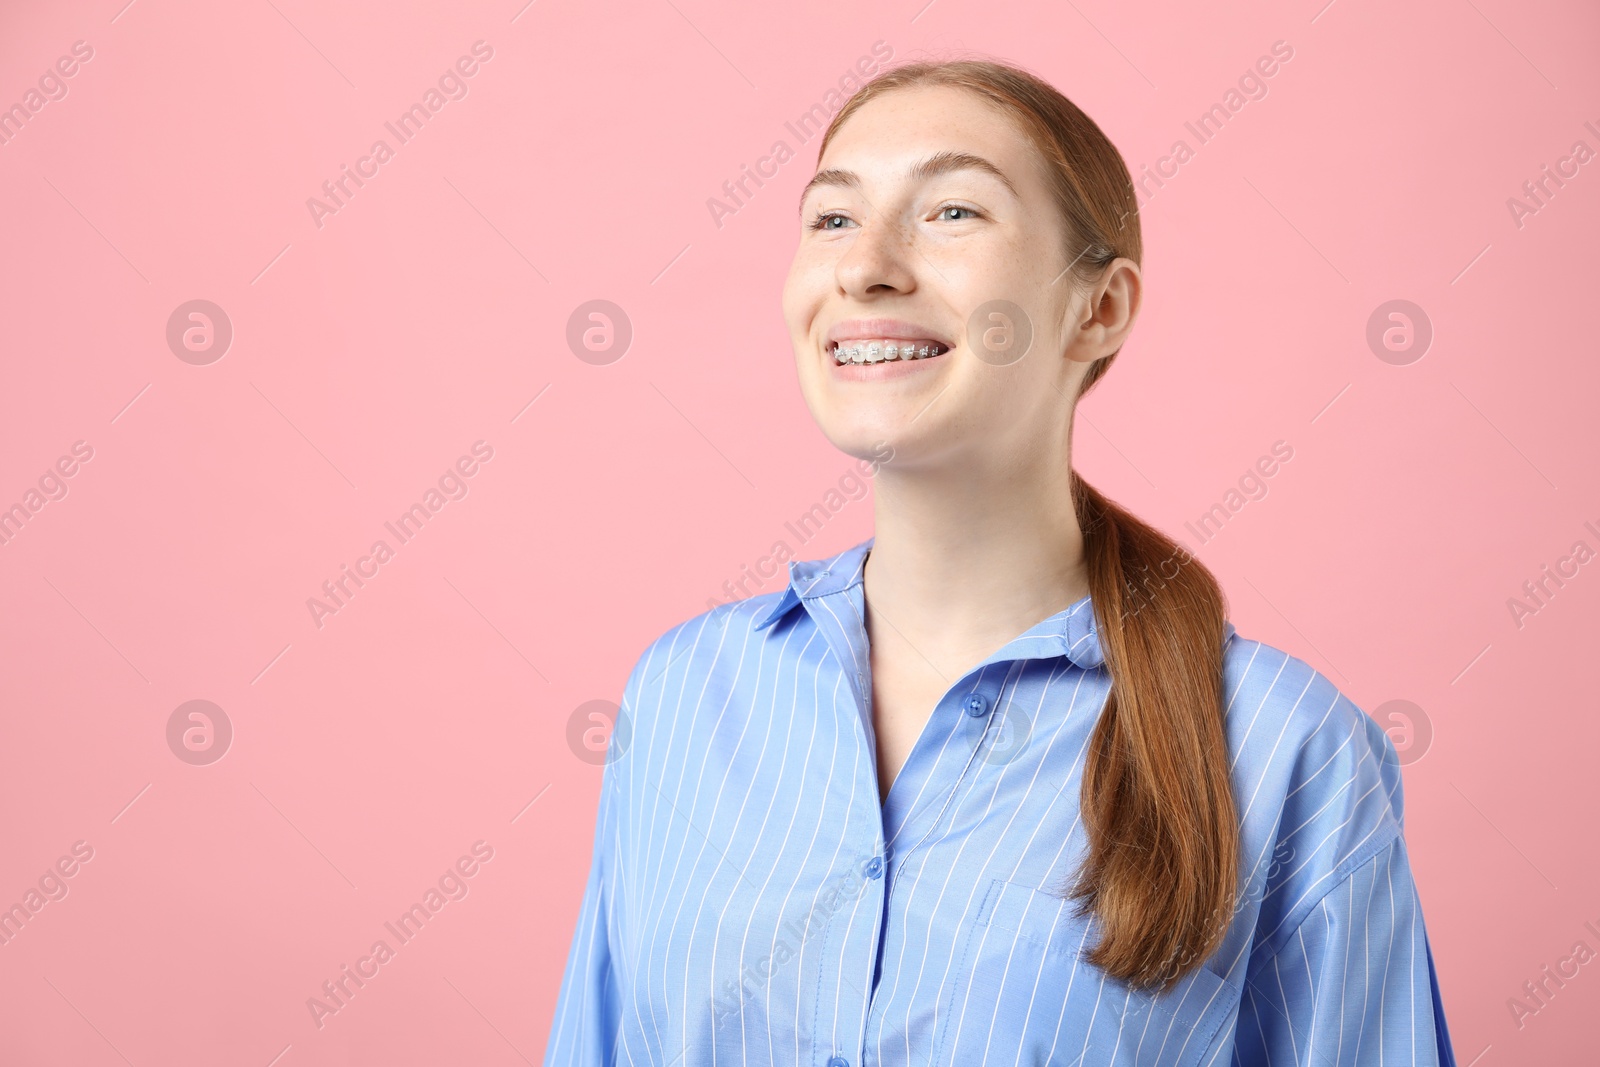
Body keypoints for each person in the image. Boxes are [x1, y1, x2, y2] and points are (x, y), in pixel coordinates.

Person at [543, 57, 1456, 1066]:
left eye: (952, 212)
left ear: (1098, 309)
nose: (866, 267)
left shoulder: (1286, 747)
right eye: (833, 218)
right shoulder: (681, 695)